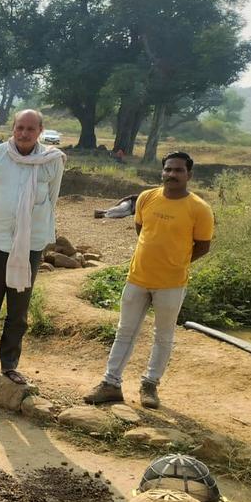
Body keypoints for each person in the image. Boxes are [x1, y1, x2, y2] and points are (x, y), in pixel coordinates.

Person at [83, 152, 213, 409]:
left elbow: (203, 246)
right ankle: (111, 384)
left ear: (189, 175)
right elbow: (141, 230)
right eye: (168, 169)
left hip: (172, 283)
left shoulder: (199, 208)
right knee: (124, 332)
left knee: (163, 336)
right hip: (137, 278)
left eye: (178, 170)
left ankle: (150, 385)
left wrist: (177, 262)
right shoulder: (146, 198)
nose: (171, 175)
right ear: (162, 171)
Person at [0, 109, 66, 385]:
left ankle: (9, 365)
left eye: (30, 129)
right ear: (13, 128)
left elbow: (52, 199)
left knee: (18, 309)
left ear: (40, 131)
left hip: (30, 244)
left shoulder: (52, 161)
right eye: (20, 127)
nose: (24, 133)